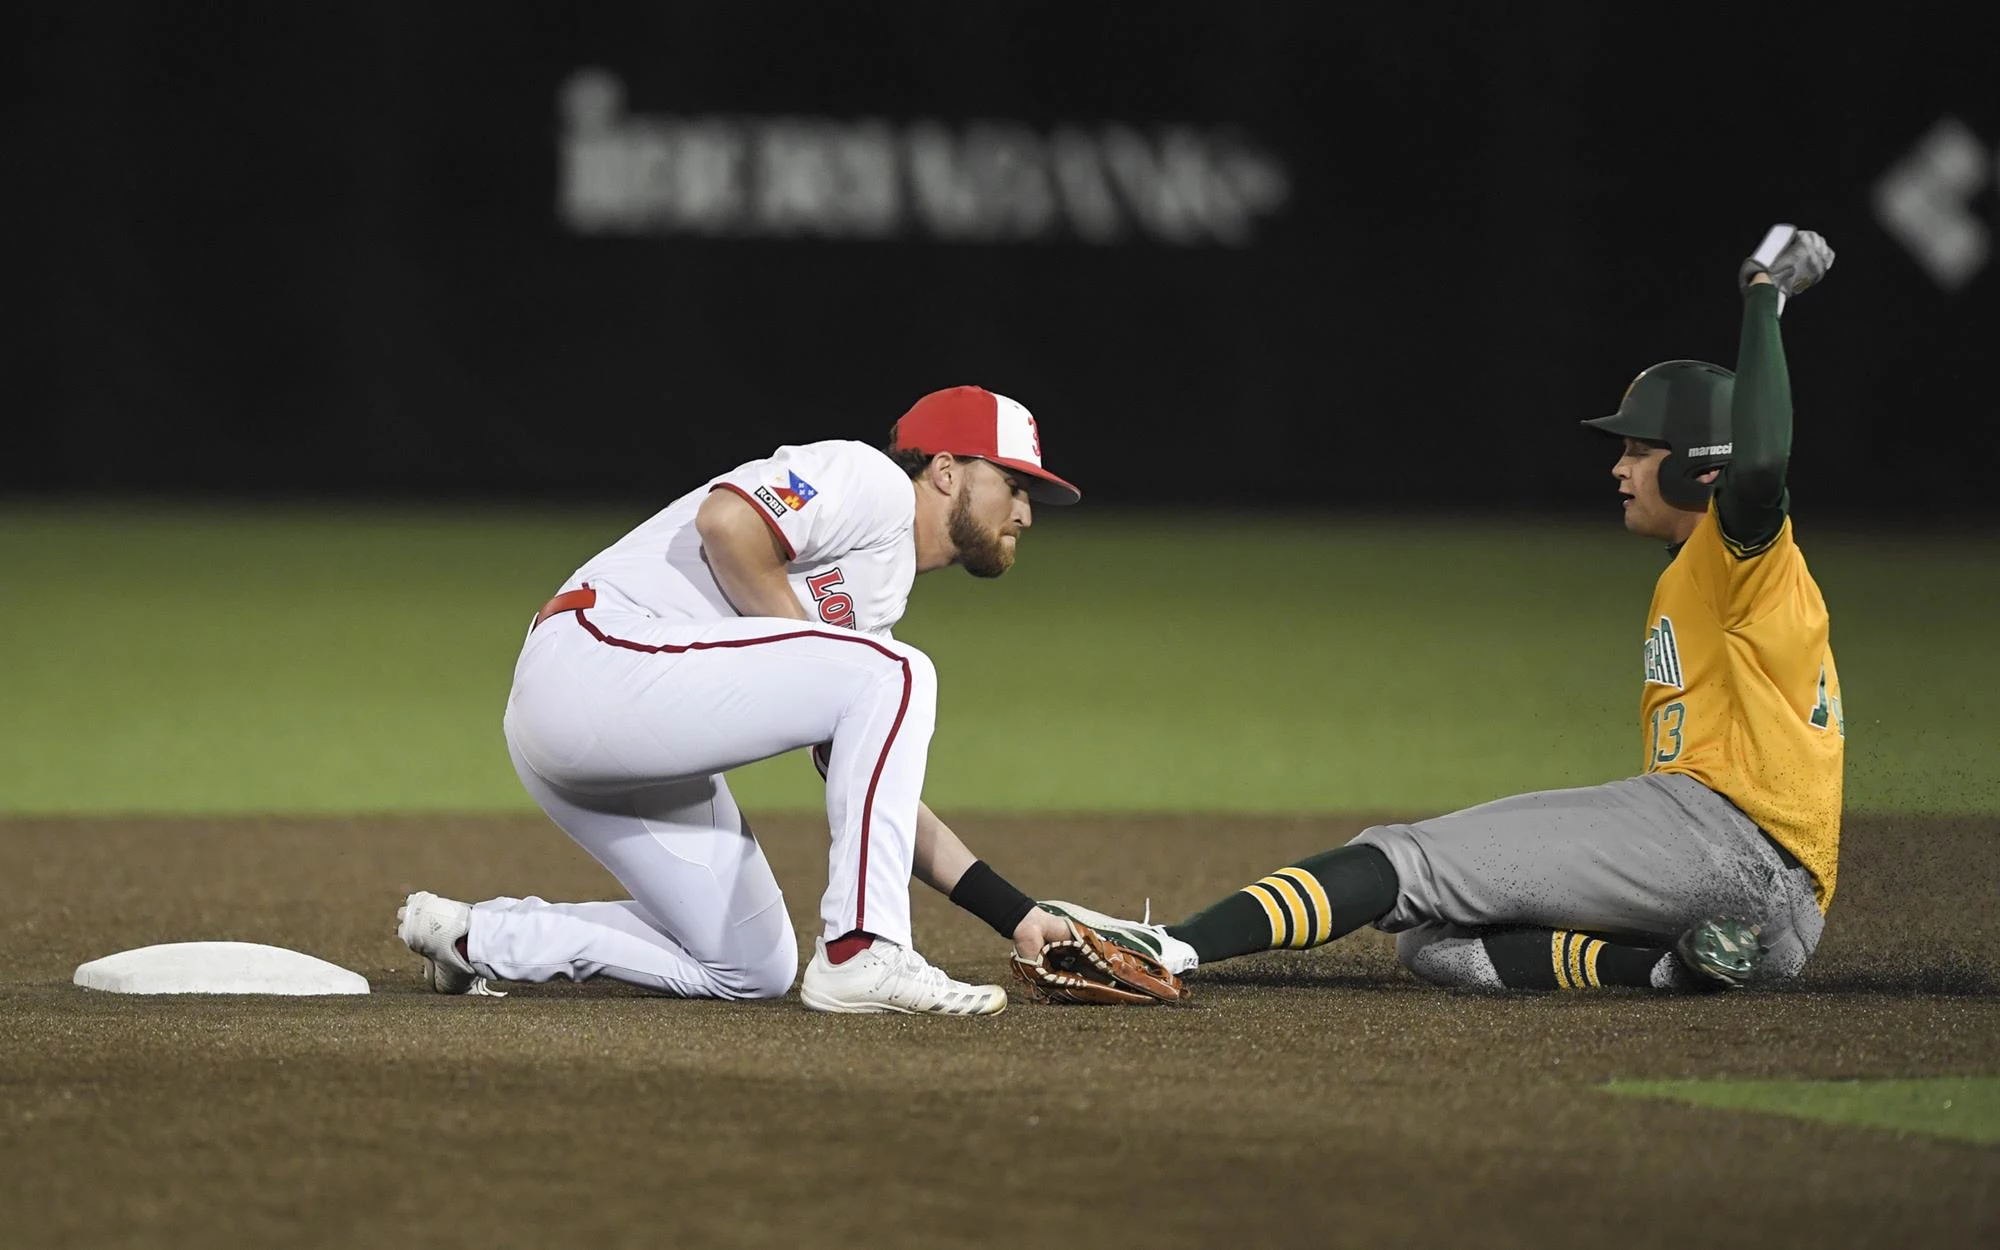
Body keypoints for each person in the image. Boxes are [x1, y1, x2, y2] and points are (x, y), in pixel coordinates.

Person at [1047, 226, 1843, 993]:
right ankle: (1682, 969)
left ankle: (1173, 946)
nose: (1619, 466)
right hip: (1773, 921)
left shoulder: (1746, 554)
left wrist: (1765, 295)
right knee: (1437, 942)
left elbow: (1763, 457)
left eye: (1640, 450)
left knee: (1405, 861)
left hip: (1726, 843)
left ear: (1703, 468)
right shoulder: (1703, 570)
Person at [398, 385, 1083, 1014]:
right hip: (591, 659)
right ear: (944, 471)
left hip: (616, 732)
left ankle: (476, 937)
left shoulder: (874, 614)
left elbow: (881, 800)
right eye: (1013, 484)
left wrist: (1016, 915)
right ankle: (860, 948)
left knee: (752, 966)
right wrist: (819, 658)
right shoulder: (872, 482)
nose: (1024, 511)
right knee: (897, 672)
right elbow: (727, 522)